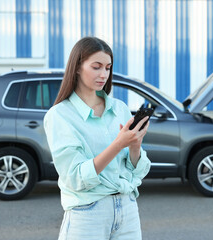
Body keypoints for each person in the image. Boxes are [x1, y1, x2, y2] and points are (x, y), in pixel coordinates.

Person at [44, 36, 151, 239]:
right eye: (96, 67)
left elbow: (137, 171)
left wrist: (135, 145)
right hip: (87, 213)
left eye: (108, 68)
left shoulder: (119, 108)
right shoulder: (60, 115)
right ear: (77, 67)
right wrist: (118, 145)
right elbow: (75, 177)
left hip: (127, 209)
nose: (104, 74)